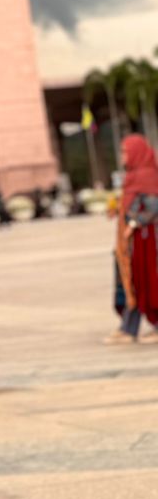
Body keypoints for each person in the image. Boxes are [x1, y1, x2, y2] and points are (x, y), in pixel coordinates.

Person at [106, 133, 158, 346]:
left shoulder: (147, 175)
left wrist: (134, 223)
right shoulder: (133, 176)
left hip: (147, 241)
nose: (122, 156)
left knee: (146, 281)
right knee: (133, 282)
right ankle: (128, 327)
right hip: (132, 242)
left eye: (125, 151)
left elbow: (154, 207)